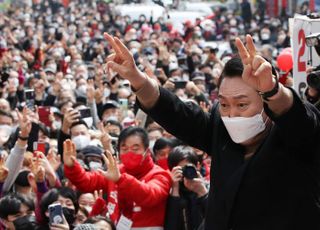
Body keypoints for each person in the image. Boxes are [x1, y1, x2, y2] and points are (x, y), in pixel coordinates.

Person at [103, 32, 320, 229]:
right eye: (225, 104)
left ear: (265, 100)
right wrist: (137, 79)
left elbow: (299, 120)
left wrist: (274, 91)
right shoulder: (220, 126)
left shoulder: (293, 131)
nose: (232, 114)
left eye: (242, 104)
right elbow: (178, 113)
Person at [63, 126, 172, 229]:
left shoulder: (159, 174)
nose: (129, 152)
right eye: (124, 148)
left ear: (147, 151)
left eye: (135, 148)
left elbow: (150, 195)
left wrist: (120, 180)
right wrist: (72, 166)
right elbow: (87, 181)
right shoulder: (115, 171)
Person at [165, 145, 208, 230]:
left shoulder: (209, 188)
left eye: (188, 167)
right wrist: (175, 190)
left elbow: (216, 218)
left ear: (198, 166)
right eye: (181, 169)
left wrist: (203, 193)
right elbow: (171, 226)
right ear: (172, 170)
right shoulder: (168, 193)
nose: (186, 172)